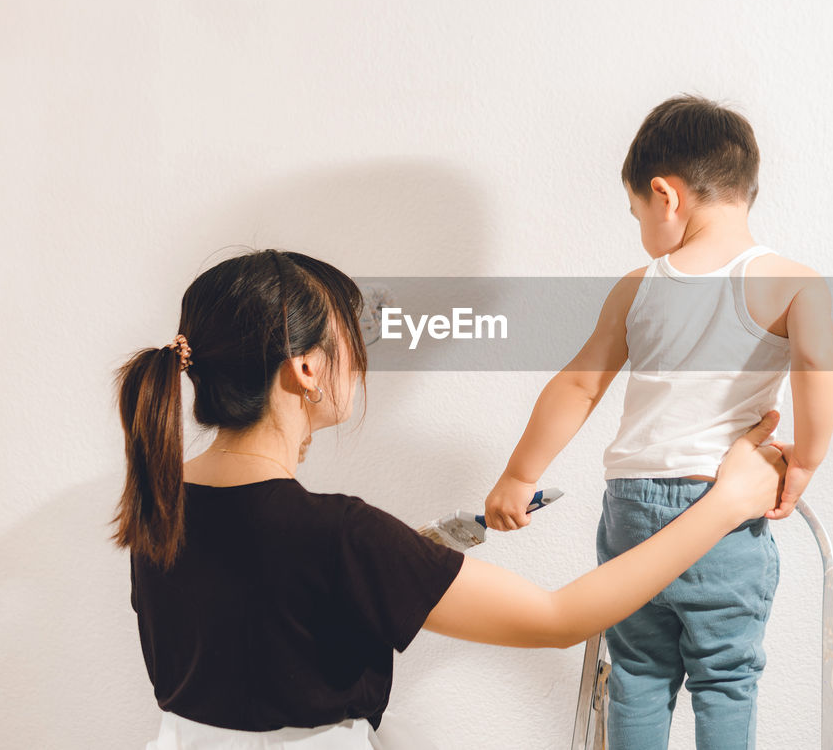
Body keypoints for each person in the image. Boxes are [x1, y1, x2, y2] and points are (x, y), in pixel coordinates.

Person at [114, 248, 787, 750]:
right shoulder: (342, 535)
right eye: (352, 332)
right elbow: (558, 618)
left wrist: (408, 552)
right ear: (307, 367)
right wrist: (724, 505)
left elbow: (266, 608)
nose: (361, 353)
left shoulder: (161, 505)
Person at [484, 95, 833, 749]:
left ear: (665, 195)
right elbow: (820, 363)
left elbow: (579, 382)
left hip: (631, 507)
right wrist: (807, 459)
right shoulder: (791, 281)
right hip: (721, 509)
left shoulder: (637, 285)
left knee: (640, 672)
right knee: (726, 673)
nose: (641, 228)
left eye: (635, 213)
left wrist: (519, 473)